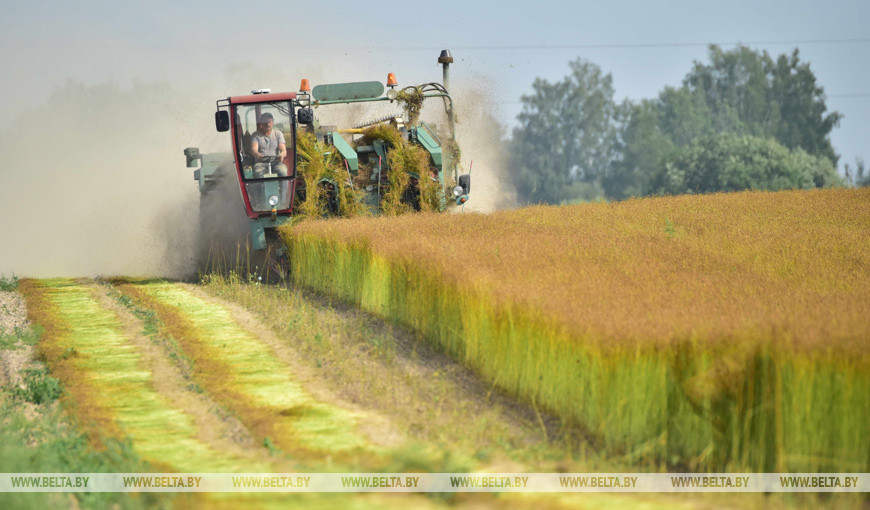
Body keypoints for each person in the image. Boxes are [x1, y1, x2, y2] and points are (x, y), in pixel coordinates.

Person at [250, 112, 288, 177]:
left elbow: (283, 150)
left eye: (269, 122)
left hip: (276, 163)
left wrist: (281, 155)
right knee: (258, 173)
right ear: (261, 123)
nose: (267, 124)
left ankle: (284, 187)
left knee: (283, 172)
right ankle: (259, 187)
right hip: (261, 163)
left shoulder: (278, 134)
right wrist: (258, 155)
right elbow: (254, 149)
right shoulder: (255, 135)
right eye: (265, 122)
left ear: (273, 122)